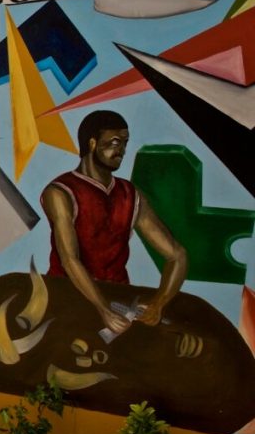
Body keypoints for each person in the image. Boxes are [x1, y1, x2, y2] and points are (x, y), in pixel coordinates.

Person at [41, 110, 187, 336]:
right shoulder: (60, 192)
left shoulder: (130, 194)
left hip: (120, 301)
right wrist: (102, 309)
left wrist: (158, 304)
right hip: (67, 298)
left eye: (125, 143)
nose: (122, 150)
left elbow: (177, 255)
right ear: (92, 143)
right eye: (115, 142)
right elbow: (69, 260)